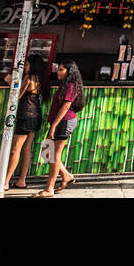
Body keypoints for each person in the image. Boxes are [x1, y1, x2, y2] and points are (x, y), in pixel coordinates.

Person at [0, 55, 51, 192]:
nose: (25, 66)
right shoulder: (42, 79)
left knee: (15, 150)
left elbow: (17, 95)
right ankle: (21, 180)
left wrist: (8, 80)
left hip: (25, 116)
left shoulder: (29, 78)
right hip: (35, 116)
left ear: (32, 66)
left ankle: (5, 182)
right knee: (26, 149)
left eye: (27, 64)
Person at [37, 60, 83, 197]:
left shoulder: (71, 86)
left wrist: (54, 126)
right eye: (59, 69)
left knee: (54, 155)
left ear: (69, 71)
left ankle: (49, 188)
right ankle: (66, 175)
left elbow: (66, 107)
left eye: (62, 70)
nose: (58, 72)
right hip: (58, 122)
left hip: (64, 122)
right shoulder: (65, 85)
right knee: (47, 152)